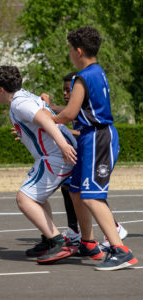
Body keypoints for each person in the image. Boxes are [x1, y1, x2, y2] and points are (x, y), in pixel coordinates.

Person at [49, 26, 137, 270]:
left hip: (97, 138)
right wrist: (51, 110)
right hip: (91, 137)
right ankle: (88, 242)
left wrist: (42, 118)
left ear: (78, 51)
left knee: (93, 196)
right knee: (76, 191)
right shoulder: (97, 72)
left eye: (69, 50)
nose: (69, 54)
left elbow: (69, 113)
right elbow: (73, 111)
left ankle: (121, 250)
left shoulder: (83, 77)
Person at [0, 66, 78, 264]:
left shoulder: (19, 104)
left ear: (1, 89)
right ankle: (48, 239)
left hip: (54, 156)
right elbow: (41, 120)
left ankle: (58, 242)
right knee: (37, 197)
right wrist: (26, 134)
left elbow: (46, 120)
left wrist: (62, 145)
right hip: (53, 154)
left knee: (24, 199)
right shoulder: (25, 96)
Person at [44, 72, 127, 250]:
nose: (66, 94)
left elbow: (73, 123)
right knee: (73, 190)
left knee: (91, 194)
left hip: (99, 146)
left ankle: (116, 234)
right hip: (86, 148)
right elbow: (65, 114)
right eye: (64, 91)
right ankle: (81, 236)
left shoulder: (85, 109)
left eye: (69, 90)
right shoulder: (75, 108)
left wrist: (46, 121)